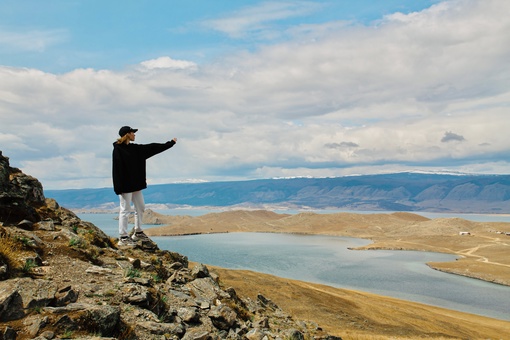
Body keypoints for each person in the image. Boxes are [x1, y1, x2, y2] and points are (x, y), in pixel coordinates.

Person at [112, 126, 177, 247]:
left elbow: (152, 147)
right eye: (133, 133)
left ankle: (138, 231)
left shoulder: (135, 149)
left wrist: (170, 144)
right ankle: (123, 237)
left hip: (135, 186)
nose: (135, 135)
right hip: (125, 187)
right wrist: (118, 188)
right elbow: (116, 170)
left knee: (140, 207)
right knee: (125, 210)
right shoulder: (118, 150)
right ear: (127, 134)